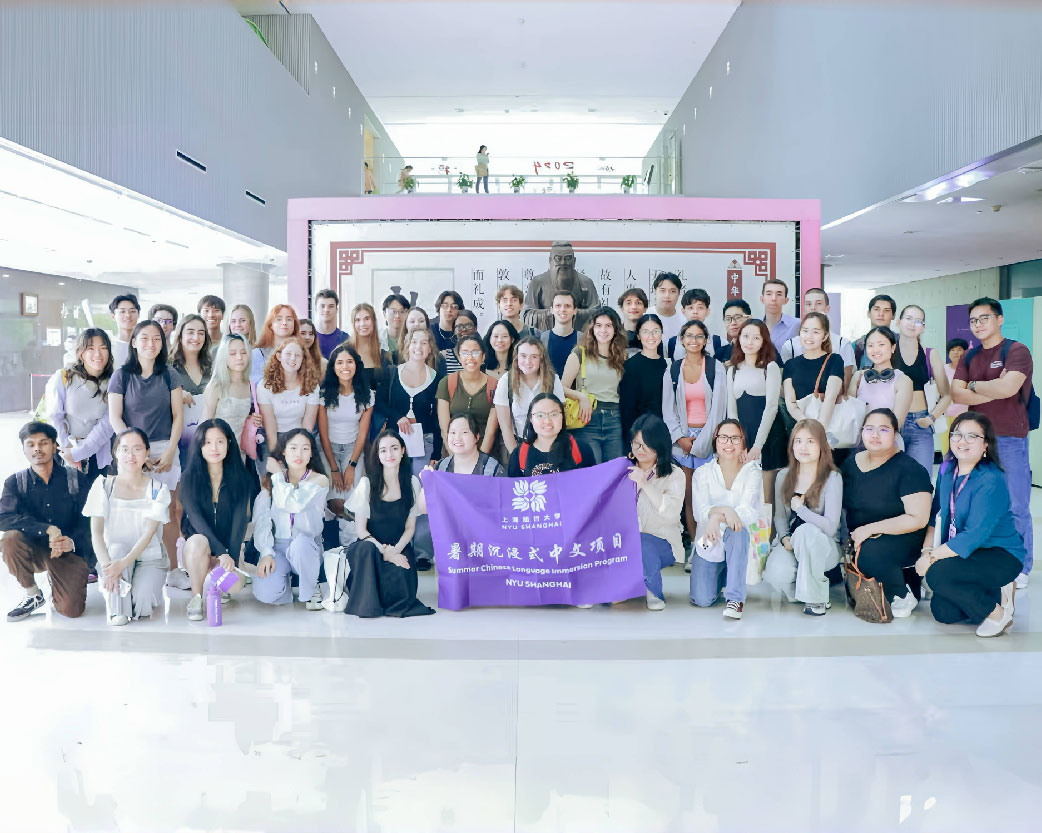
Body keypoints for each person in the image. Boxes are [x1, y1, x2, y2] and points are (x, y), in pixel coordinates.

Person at [951, 298, 1034, 588]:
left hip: (1009, 437)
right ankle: (980, 554)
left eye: (984, 318)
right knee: (973, 501)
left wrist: (973, 386)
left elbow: (1010, 387)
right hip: (973, 440)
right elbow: (956, 394)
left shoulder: (1017, 350)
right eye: (973, 320)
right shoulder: (969, 357)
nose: (978, 325)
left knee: (1016, 503)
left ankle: (1022, 566)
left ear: (999, 319)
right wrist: (992, 389)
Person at [916, 412, 1022, 637]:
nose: (962, 441)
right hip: (965, 552)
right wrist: (926, 549)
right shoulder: (946, 469)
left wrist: (932, 558)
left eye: (972, 436)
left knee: (937, 575)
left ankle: (998, 615)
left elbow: (974, 535)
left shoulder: (990, 480)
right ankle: (997, 592)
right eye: (957, 434)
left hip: (998, 553)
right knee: (943, 612)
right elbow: (937, 512)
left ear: (986, 444)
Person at [107, 320, 185, 585]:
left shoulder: (169, 374)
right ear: (134, 342)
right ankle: (137, 566)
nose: (150, 344)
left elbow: (178, 416)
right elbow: (115, 417)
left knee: (171, 510)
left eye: (157, 339)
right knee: (138, 511)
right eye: (144, 338)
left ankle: (175, 570)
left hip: (165, 449)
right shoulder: (121, 376)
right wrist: (134, 449)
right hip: (132, 450)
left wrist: (171, 450)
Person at [841, 408, 933, 617]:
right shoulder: (850, 464)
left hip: (905, 536)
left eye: (883, 430)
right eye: (869, 429)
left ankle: (901, 595)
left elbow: (918, 519)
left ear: (895, 434)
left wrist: (869, 529)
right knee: (866, 550)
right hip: (864, 537)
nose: (875, 435)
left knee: (870, 552)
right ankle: (902, 579)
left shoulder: (910, 469)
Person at [1, 422, 91, 621]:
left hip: (67, 551)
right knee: (10, 538)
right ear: (24, 449)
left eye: (43, 443)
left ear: (54, 446)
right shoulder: (15, 482)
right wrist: (46, 529)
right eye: (31, 444)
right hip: (34, 549)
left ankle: (60, 584)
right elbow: (4, 518)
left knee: (71, 611)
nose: (37, 449)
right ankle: (32, 594)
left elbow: (90, 521)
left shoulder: (75, 479)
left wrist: (71, 542)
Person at [343, 429, 435, 617]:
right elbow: (361, 530)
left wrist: (396, 550)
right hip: (370, 546)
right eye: (383, 450)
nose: (389, 454)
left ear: (402, 450)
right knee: (366, 550)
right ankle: (366, 605)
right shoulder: (366, 484)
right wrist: (385, 552)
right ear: (377, 455)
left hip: (399, 545)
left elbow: (410, 528)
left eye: (394, 448)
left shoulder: (412, 483)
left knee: (401, 576)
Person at [83, 428, 171, 624]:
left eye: (137, 449)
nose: (130, 455)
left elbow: (149, 534)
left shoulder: (158, 490)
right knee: (117, 548)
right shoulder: (103, 486)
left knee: (142, 604)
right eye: (124, 449)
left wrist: (123, 564)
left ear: (147, 452)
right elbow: (96, 534)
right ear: (115, 452)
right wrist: (108, 567)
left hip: (150, 557)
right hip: (114, 556)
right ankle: (117, 611)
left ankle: (130, 595)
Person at [763, 419, 842, 615]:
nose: (803, 447)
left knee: (807, 531)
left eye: (810, 441)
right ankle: (812, 589)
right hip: (793, 545)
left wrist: (801, 510)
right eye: (798, 441)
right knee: (775, 574)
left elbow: (831, 527)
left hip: (824, 548)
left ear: (822, 445)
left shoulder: (833, 478)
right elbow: (780, 517)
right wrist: (784, 537)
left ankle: (816, 600)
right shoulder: (783, 476)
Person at [662, 319, 727, 547]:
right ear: (682, 339)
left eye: (699, 336)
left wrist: (702, 442)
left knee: (708, 496)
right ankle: (698, 545)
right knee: (689, 497)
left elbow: (719, 408)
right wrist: (680, 438)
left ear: (706, 340)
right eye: (689, 336)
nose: (694, 340)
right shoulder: (672, 369)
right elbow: (667, 409)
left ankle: (713, 545)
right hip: (682, 441)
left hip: (709, 439)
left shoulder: (715, 367)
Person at [179, 420, 250, 621]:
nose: (214, 448)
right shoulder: (189, 478)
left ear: (229, 443)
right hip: (197, 549)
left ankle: (216, 579)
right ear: (199, 446)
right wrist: (219, 552)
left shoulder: (241, 477)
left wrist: (230, 558)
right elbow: (196, 520)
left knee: (235, 585)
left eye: (220, 441)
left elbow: (240, 523)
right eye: (208, 442)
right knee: (198, 541)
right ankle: (196, 597)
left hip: (225, 552)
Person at [689, 420, 759, 619]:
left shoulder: (752, 471)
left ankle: (735, 598)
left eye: (735, 438)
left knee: (737, 530)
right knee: (702, 600)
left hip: (739, 542)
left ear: (743, 443)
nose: (729, 443)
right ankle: (724, 575)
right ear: (716, 440)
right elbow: (699, 512)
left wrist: (717, 515)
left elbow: (748, 512)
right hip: (710, 542)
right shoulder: (702, 474)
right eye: (723, 438)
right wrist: (723, 512)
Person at [252, 429, 329, 609]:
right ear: (284, 451)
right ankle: (284, 587)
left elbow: (294, 504)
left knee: (300, 545)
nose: (299, 454)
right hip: (279, 545)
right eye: (293, 448)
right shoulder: (273, 481)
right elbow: (263, 518)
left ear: (311, 453)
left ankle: (310, 590)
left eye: (305, 449)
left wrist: (278, 475)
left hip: (307, 544)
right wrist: (266, 552)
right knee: (266, 593)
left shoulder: (319, 480)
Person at [627, 414, 685, 610]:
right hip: (626, 539)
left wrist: (644, 483)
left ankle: (653, 592)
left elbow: (671, 513)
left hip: (663, 541)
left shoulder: (675, 474)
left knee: (642, 542)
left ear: (659, 445)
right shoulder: (623, 469)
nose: (640, 450)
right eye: (636, 444)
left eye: (646, 445)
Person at [317, 343, 374, 537]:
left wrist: (352, 465)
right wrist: (334, 468)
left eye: (349, 362)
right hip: (327, 448)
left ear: (356, 365)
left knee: (351, 501)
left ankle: (350, 544)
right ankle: (330, 540)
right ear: (333, 367)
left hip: (353, 449)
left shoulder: (367, 396)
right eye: (340, 363)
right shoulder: (324, 395)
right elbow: (323, 434)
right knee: (334, 501)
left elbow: (362, 433)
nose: (345, 367)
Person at [727, 318, 787, 499]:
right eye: (745, 336)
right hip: (743, 439)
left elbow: (771, 408)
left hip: (768, 439)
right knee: (744, 496)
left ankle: (770, 530)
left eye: (756, 338)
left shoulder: (771, 368)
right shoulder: (733, 370)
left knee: (765, 500)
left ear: (764, 341)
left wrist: (757, 446)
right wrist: (739, 444)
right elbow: (732, 411)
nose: (749, 342)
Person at [47, 328, 114, 487]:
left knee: (95, 506)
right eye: (90, 348)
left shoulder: (114, 382)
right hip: (64, 453)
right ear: (81, 353)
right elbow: (55, 416)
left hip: (97, 455)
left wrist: (78, 453)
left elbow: (107, 424)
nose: (98, 354)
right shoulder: (64, 377)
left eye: (103, 348)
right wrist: (68, 451)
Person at [561, 306, 626, 463]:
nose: (603, 330)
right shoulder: (579, 353)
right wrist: (580, 396)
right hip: (587, 418)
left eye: (608, 325)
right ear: (592, 328)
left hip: (615, 419)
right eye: (599, 325)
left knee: (613, 471)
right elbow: (560, 388)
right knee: (592, 471)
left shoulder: (622, 356)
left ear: (615, 329)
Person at [890, 304, 950, 474]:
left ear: (923, 328)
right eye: (908, 318)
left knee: (921, 479)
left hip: (920, 424)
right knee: (891, 480)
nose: (912, 324)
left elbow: (947, 395)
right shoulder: (887, 352)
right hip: (892, 423)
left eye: (918, 321)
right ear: (899, 321)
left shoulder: (930, 354)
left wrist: (931, 418)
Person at [377, 327, 441, 474]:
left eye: (424, 343)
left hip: (424, 442)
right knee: (397, 485)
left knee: (419, 486)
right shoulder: (392, 372)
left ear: (430, 348)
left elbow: (438, 418)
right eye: (414, 342)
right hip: (394, 440)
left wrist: (436, 452)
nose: (418, 347)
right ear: (408, 346)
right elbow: (379, 403)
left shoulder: (436, 378)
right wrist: (397, 417)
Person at [494, 336, 566, 456]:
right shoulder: (506, 381)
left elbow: (560, 420)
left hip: (549, 443)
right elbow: (505, 427)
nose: (527, 361)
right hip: (517, 442)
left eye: (534, 357)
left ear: (541, 359)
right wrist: (516, 456)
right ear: (517, 357)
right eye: (523, 356)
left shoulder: (553, 380)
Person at [782, 312, 844, 443]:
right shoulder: (790, 365)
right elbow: (790, 403)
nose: (809, 336)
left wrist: (818, 431)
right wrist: (806, 426)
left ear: (825, 335)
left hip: (827, 431)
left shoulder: (834, 360)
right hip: (799, 431)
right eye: (805, 331)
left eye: (816, 332)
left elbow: (830, 398)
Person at [779, 289, 855, 392]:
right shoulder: (790, 345)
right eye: (808, 304)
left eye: (818, 303)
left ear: (827, 308)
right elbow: (785, 384)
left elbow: (845, 384)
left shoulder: (842, 344)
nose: (813, 307)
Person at [436, 334, 499, 456]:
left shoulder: (494, 385)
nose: (470, 357)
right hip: (453, 450)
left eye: (475, 352)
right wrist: (454, 458)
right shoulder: (447, 383)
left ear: (483, 357)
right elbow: (445, 428)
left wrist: (480, 460)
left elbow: (491, 430)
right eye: (465, 353)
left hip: (484, 451)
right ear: (459, 358)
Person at [507, 393, 596, 476]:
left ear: (562, 417)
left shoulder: (582, 449)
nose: (547, 421)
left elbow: (591, 487)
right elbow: (514, 490)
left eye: (554, 414)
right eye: (540, 415)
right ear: (531, 419)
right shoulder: (518, 455)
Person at [848, 327, 913, 437]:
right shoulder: (858, 377)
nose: (875, 350)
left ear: (893, 347)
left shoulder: (903, 380)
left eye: (881, 344)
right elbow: (850, 414)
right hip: (859, 442)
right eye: (870, 345)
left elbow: (897, 423)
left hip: (888, 442)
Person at [522, 241, 600, 332]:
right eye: (558, 258)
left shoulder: (585, 282)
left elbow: (597, 313)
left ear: (574, 261)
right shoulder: (538, 282)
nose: (563, 262)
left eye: (567, 258)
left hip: (579, 338)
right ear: (550, 260)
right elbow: (527, 315)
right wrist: (553, 312)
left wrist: (574, 313)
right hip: (545, 338)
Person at [257, 337, 320, 448]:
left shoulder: (312, 387)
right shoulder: (265, 386)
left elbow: (307, 426)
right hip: (271, 438)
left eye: (297, 355)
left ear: (303, 359)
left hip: (299, 437)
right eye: (288, 354)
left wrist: (298, 450)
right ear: (279, 356)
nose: (293, 359)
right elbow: (269, 426)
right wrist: (276, 455)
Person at [169, 313, 213, 467]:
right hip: (179, 439)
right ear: (180, 335)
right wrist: (175, 394)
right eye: (190, 332)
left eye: (201, 333)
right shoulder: (168, 366)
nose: (196, 337)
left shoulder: (212, 366)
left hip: (209, 439)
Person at [203, 334, 261, 446]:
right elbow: (205, 425)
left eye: (244, 352)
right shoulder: (216, 386)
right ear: (224, 356)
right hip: (216, 451)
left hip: (239, 453)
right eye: (232, 353)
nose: (239, 357)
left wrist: (252, 418)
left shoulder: (250, 386)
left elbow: (239, 417)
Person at [619, 313, 666, 440]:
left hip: (665, 431)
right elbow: (627, 409)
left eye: (655, 331)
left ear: (661, 334)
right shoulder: (630, 366)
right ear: (639, 336)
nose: (651, 336)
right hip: (640, 433)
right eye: (645, 332)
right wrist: (633, 438)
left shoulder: (668, 365)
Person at [435, 413, 505, 476]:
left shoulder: (492, 470)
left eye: (464, 432)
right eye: (453, 432)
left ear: (477, 437)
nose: (457, 438)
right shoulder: (442, 467)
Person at [348, 302, 394, 391]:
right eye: (357, 320)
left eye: (367, 319)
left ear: (373, 321)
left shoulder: (385, 356)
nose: (363, 324)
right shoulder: (343, 352)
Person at [251, 304, 301, 386]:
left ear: (294, 324)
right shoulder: (258, 353)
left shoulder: (302, 352)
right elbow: (255, 386)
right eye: (279, 319)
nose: (284, 323)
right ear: (270, 325)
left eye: (289, 319)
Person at [665, 288, 718, 359]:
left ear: (707, 311)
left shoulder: (719, 343)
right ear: (683, 311)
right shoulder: (670, 344)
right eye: (690, 308)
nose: (695, 312)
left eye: (700, 308)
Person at [540, 289, 579, 378]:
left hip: (577, 391)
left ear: (575, 310)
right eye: (558, 305)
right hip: (549, 390)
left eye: (567, 306)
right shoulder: (542, 339)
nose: (562, 309)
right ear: (551, 310)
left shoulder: (582, 339)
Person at [853, 294, 897, 368]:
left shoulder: (901, 343)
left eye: (886, 310)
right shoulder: (857, 346)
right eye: (876, 309)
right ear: (869, 313)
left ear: (893, 316)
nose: (881, 314)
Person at [760, 279, 799, 351]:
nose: (774, 298)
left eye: (779, 294)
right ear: (762, 299)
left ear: (786, 300)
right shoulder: (753, 325)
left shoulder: (797, 324)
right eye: (769, 294)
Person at [441, 309, 479, 374]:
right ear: (454, 330)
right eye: (459, 326)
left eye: (468, 326)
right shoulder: (444, 356)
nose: (464, 330)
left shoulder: (483, 355)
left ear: (475, 328)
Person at [651, 272, 685, 344]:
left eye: (673, 291)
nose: (667, 295)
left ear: (678, 294)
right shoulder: (646, 315)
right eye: (662, 291)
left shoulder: (684, 320)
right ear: (655, 292)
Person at [314, 288, 348, 358]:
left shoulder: (346, 339)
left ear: (337, 310)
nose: (326, 310)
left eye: (331, 306)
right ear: (316, 309)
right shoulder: (307, 338)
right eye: (322, 306)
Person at [483, 319, 519, 383]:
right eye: (496, 336)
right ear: (490, 339)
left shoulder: (519, 367)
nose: (500, 340)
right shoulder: (481, 367)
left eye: (505, 336)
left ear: (512, 339)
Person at [108, 293, 140, 368]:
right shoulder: (109, 347)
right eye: (122, 311)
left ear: (138, 315)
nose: (128, 315)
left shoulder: (145, 345)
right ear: (113, 316)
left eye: (132, 311)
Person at [617, 287, 649, 354]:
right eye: (629, 303)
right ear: (622, 308)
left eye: (638, 303)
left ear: (645, 308)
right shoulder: (614, 335)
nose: (634, 307)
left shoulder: (651, 335)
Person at [380, 293, 411, 359]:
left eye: (401, 311)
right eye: (393, 311)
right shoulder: (377, 338)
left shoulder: (412, 338)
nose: (397, 316)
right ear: (384, 314)